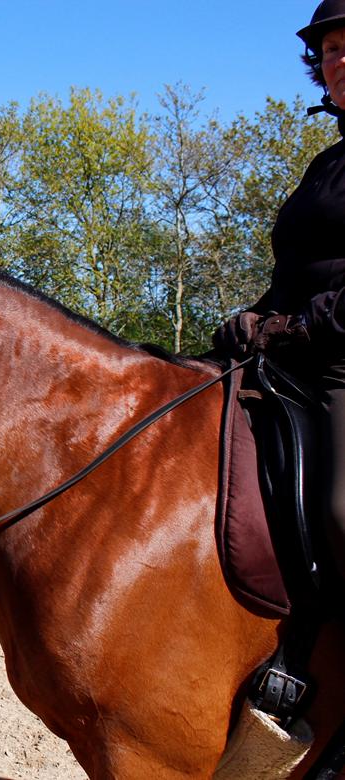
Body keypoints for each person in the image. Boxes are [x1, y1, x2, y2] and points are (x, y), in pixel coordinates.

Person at [214, 0, 345, 578]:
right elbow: (297, 270)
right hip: (300, 357)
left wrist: (296, 327)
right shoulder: (327, 164)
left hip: (341, 363)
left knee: (344, 512)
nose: (340, 59)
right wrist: (256, 317)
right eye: (332, 49)